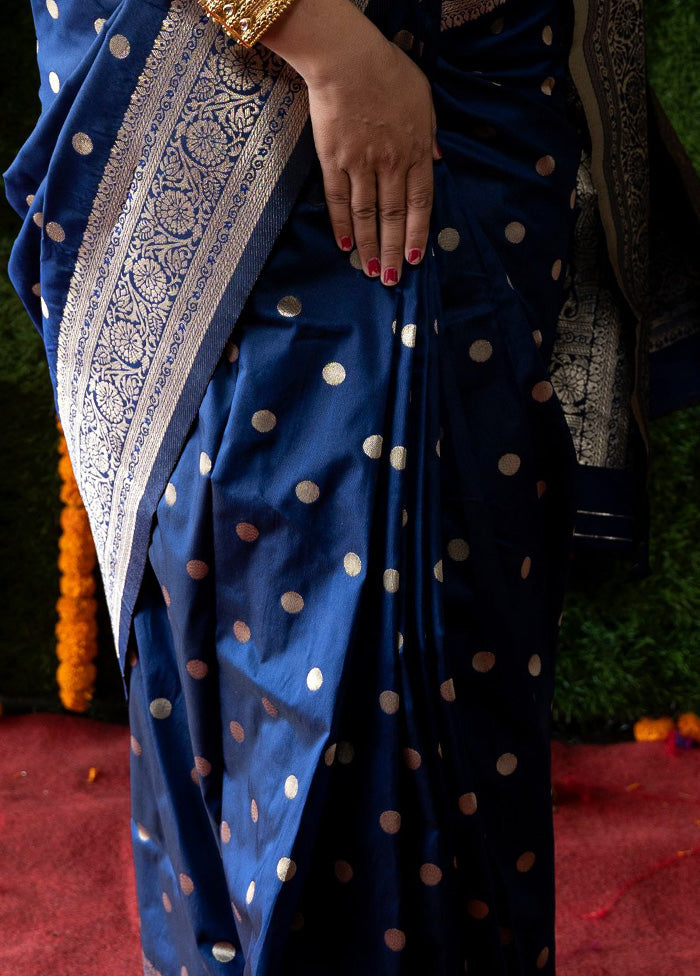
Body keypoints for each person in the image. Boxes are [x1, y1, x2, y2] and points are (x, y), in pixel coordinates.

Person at [5, 0, 589, 972]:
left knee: (466, 605)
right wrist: (322, 41)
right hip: (245, 83)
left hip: (483, 80)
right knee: (261, 613)